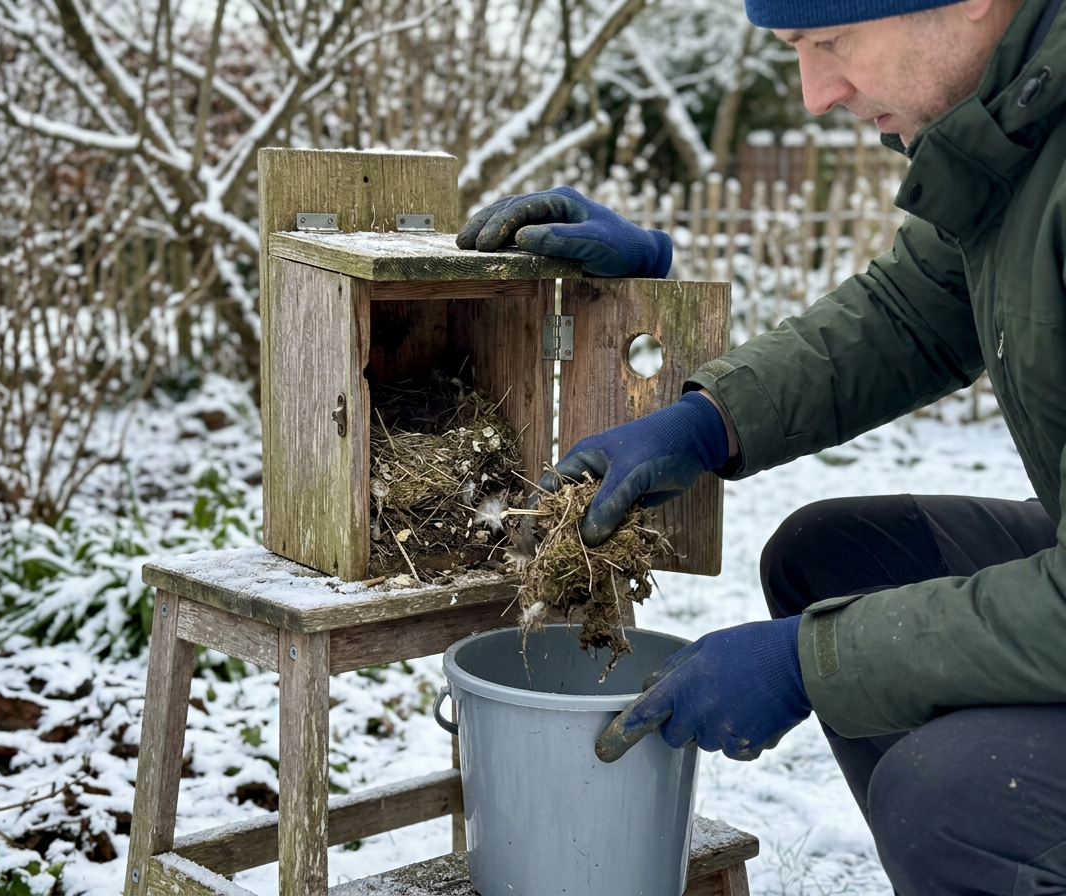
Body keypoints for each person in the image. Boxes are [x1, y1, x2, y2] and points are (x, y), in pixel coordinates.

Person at [456, 0, 1066, 890]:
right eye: (793, 51)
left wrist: (811, 662)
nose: (817, 95)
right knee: (833, 558)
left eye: (830, 43)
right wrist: (708, 421)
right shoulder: (1013, 128)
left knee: (960, 803)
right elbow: (910, 312)